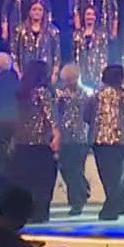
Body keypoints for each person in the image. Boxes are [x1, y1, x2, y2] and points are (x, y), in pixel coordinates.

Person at [8, 62, 58, 223]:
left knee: (25, 180)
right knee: (42, 181)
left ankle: (26, 212)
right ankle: (40, 213)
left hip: (22, 142)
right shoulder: (42, 92)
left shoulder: (21, 93)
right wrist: (56, 134)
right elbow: (49, 117)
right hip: (40, 143)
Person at [85, 63, 124, 221]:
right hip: (120, 141)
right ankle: (116, 206)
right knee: (119, 175)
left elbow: (86, 116)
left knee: (106, 175)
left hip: (99, 141)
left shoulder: (95, 95)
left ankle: (113, 205)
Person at [54, 64, 94, 217]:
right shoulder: (60, 94)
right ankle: (83, 192)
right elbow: (56, 113)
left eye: (71, 79)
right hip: (65, 136)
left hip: (81, 136)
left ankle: (77, 202)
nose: (68, 82)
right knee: (65, 169)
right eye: (66, 80)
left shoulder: (88, 93)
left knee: (76, 169)